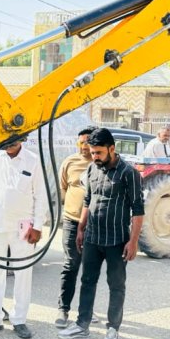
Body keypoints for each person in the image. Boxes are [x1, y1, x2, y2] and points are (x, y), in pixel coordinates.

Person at [58, 128, 144, 339]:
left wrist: (133, 241)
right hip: (93, 238)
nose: (94, 156)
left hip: (117, 241)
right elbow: (88, 200)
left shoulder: (128, 173)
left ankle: (113, 329)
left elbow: (138, 210)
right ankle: (82, 324)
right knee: (87, 281)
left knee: (116, 285)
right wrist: (80, 229)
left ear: (112, 149)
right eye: (92, 152)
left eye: (98, 152)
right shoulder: (91, 169)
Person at [0, 137, 48, 339]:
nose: (10, 145)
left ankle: (19, 319)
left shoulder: (32, 160)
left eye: (15, 141)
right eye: (7, 141)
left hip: (23, 228)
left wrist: (39, 226)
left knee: (23, 274)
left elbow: (40, 196)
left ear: (22, 139)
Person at [56, 126, 96, 328]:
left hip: (95, 224)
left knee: (91, 268)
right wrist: (72, 209)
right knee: (71, 264)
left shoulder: (101, 164)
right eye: (80, 142)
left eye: (87, 142)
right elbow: (63, 188)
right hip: (72, 221)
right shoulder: (70, 162)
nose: (83, 147)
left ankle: (87, 310)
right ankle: (63, 309)